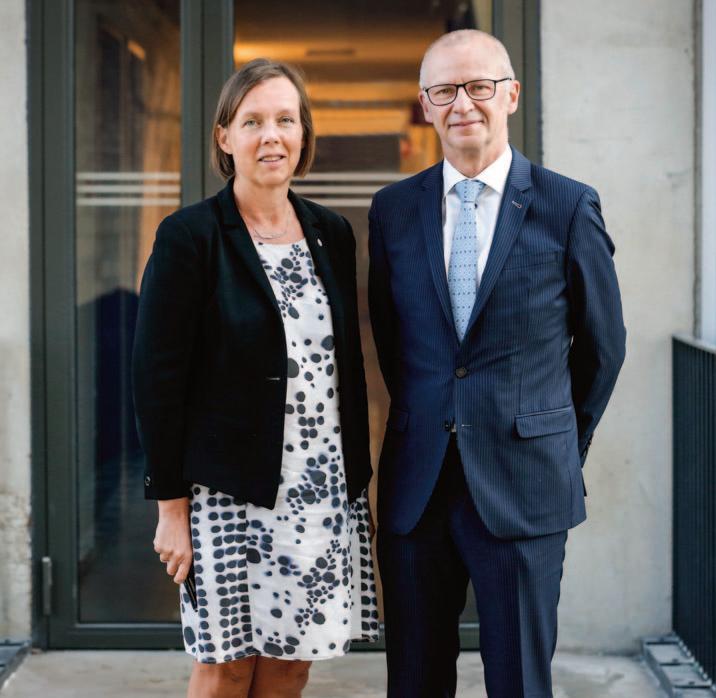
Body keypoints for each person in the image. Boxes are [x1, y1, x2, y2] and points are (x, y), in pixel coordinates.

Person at [368, 29, 626, 698]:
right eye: (444, 90)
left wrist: (554, 440)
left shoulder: (568, 206)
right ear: (425, 104)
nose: (463, 104)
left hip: (524, 485)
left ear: (510, 94)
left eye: (478, 86)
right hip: (418, 487)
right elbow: (394, 341)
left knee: (519, 684)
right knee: (414, 683)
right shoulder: (393, 211)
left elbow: (602, 348)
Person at [132, 58, 379, 698]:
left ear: (303, 134)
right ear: (225, 136)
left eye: (285, 120)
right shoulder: (190, 237)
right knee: (227, 666)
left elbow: (344, 366)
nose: (272, 135)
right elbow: (157, 379)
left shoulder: (331, 233)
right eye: (253, 121)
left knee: (293, 663)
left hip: (318, 493)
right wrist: (171, 509)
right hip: (226, 494)